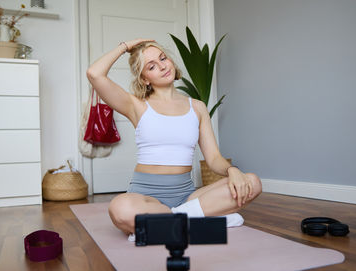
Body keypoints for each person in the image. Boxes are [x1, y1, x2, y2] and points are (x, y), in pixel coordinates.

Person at [86, 38, 262, 237]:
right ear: (145, 79)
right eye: (152, 66)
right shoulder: (136, 105)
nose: (162, 66)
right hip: (146, 197)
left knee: (252, 182)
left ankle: (166, 223)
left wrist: (233, 171)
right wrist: (125, 46)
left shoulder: (197, 107)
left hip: (188, 196)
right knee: (120, 209)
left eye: (163, 58)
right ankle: (195, 219)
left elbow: (213, 158)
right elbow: (94, 73)